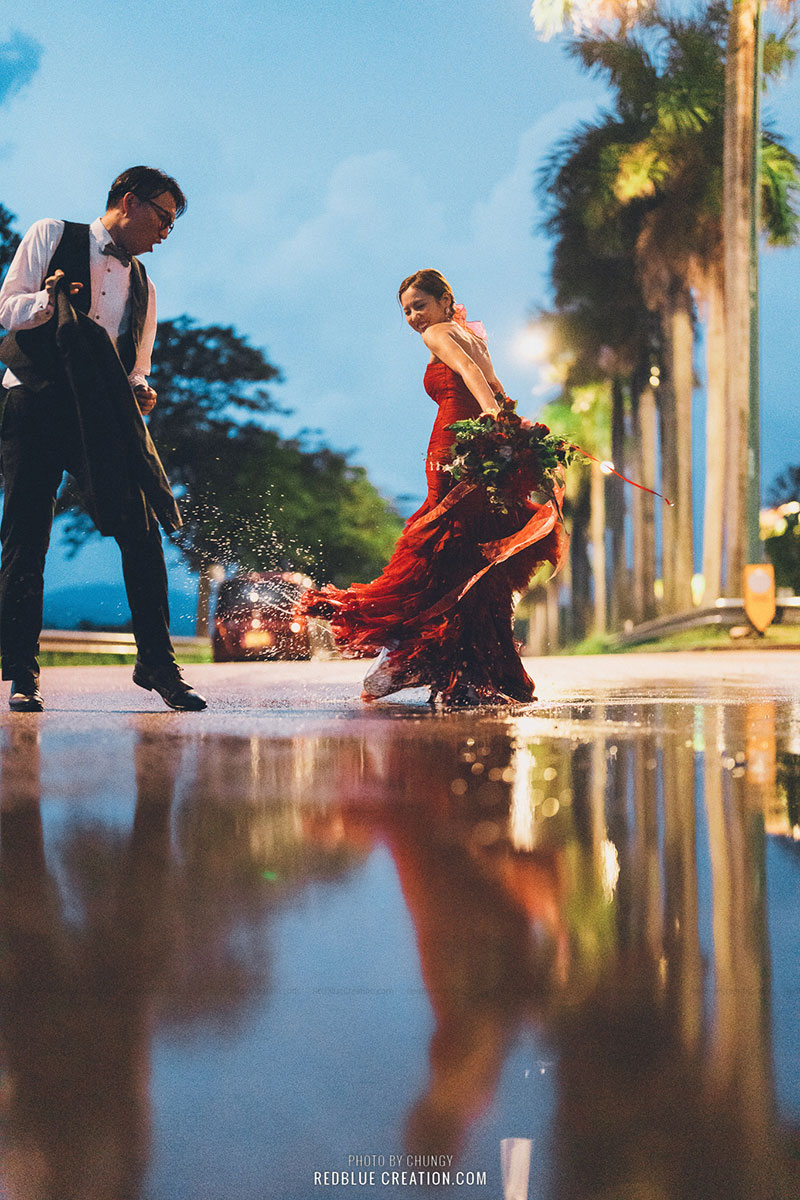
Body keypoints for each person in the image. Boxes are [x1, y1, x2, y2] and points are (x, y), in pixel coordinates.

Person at [304, 268, 565, 706]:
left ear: (446, 300)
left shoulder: (440, 334)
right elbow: (495, 384)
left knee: (443, 546)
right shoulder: (472, 335)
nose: (413, 318)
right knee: (468, 551)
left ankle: (415, 657)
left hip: (451, 447)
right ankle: (457, 662)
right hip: (476, 448)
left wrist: (491, 416)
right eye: (406, 311)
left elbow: (470, 375)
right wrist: (506, 422)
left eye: (419, 305)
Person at [0, 166, 206, 712]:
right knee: (26, 538)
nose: (166, 232)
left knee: (141, 532)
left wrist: (142, 391)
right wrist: (48, 304)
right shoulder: (51, 235)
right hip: (34, 401)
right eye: (163, 218)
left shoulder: (144, 284)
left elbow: (135, 366)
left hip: (97, 417)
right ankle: (22, 672)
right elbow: (6, 307)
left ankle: (157, 665)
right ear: (130, 202)